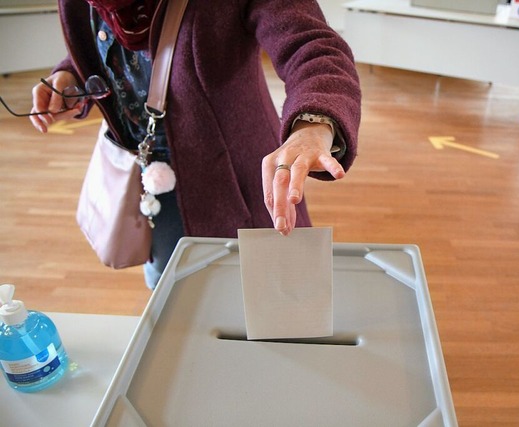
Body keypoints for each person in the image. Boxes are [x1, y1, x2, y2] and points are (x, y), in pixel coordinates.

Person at [28, 0, 361, 289]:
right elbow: (116, 42)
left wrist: (314, 121)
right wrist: (71, 74)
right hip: (149, 183)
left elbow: (311, 45)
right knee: (173, 293)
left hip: (237, 183)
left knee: (269, 297)